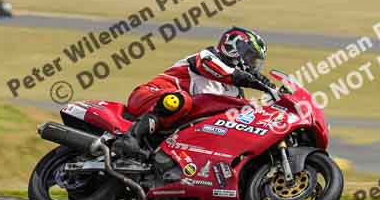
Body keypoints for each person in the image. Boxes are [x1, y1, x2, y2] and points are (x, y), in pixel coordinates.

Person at [114, 27, 275, 158]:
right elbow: (232, 75)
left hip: (175, 124)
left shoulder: (235, 92)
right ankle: (131, 138)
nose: (251, 64)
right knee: (181, 100)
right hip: (149, 96)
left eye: (254, 61)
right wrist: (261, 83)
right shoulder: (208, 57)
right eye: (249, 56)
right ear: (232, 47)